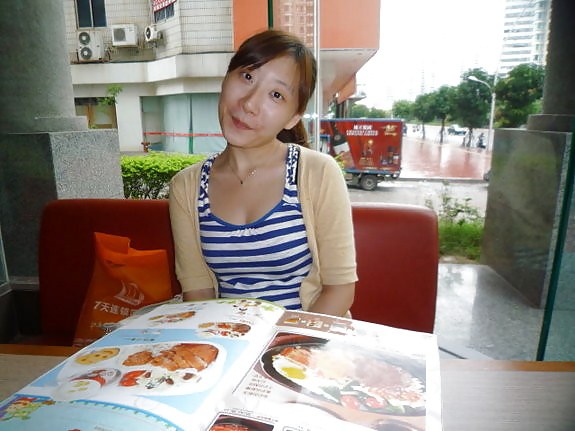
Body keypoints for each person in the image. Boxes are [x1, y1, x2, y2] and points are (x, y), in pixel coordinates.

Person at [169, 29, 357, 317]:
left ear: (293, 117)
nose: (249, 104)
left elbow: (340, 290)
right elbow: (198, 294)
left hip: (308, 336)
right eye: (247, 76)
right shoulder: (186, 187)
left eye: (276, 95)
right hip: (223, 337)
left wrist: (289, 343)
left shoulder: (318, 173)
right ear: (225, 79)